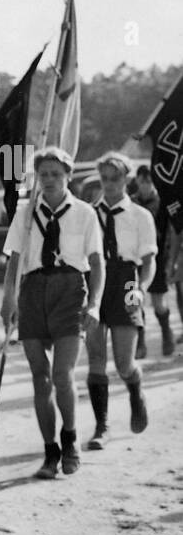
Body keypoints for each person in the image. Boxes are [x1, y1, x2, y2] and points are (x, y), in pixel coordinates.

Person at [0, 146, 104, 479]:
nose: (49, 180)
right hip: (32, 291)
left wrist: (95, 304)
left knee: (62, 375)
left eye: (55, 174)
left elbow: (98, 264)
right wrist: (8, 299)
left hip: (70, 291)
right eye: (43, 174)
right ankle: (50, 451)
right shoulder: (25, 213)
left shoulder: (85, 213)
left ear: (68, 176)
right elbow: (14, 259)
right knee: (39, 378)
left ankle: (70, 439)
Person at [84, 154, 156, 448]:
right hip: (95, 280)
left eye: (116, 179)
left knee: (124, 362)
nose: (110, 185)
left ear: (126, 180)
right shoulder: (88, 214)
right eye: (105, 179)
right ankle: (102, 426)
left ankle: (135, 390)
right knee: (96, 358)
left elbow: (149, 261)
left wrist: (141, 289)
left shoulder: (141, 216)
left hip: (127, 279)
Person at [133, 163, 179, 357]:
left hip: (158, 257)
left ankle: (166, 332)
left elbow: (174, 231)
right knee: (134, 301)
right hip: (133, 260)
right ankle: (139, 342)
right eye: (142, 181)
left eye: (149, 181)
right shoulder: (130, 203)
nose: (145, 185)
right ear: (137, 181)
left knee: (159, 301)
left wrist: (172, 261)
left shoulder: (164, 202)